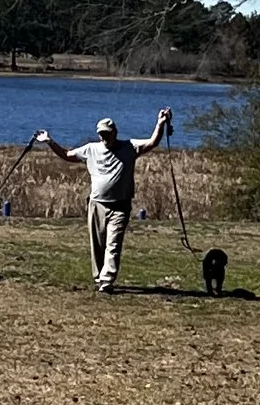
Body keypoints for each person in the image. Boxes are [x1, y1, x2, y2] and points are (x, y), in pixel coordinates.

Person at [32, 109, 174, 293]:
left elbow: (152, 142)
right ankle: (100, 276)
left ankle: (107, 280)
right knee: (98, 244)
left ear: (115, 132)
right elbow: (67, 155)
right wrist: (49, 141)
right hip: (97, 204)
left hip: (120, 205)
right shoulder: (90, 149)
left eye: (107, 133)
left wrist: (160, 123)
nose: (104, 137)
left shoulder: (130, 147)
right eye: (102, 134)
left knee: (113, 243)